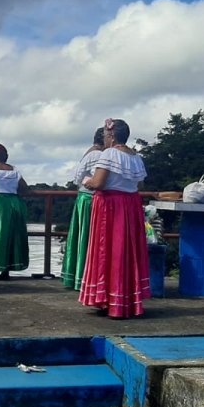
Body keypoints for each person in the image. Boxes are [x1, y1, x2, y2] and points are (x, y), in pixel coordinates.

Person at [79, 119, 151, 318]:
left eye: (104, 134)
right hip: (130, 204)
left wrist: (87, 181)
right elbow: (140, 185)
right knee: (126, 250)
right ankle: (125, 299)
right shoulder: (136, 157)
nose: (104, 138)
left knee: (108, 250)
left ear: (111, 136)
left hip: (110, 205)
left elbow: (99, 182)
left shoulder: (110, 153)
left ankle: (109, 299)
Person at [62, 128, 105, 290]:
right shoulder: (98, 155)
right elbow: (85, 179)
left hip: (83, 197)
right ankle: (87, 277)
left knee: (81, 237)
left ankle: (77, 275)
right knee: (90, 237)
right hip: (91, 198)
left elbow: (77, 178)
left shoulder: (90, 153)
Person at [0, 143, 31, 280]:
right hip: (13, 203)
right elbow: (24, 188)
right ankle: (6, 270)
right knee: (10, 236)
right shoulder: (14, 170)